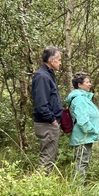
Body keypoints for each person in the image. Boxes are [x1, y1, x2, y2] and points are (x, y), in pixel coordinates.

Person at [31, 46, 63, 174]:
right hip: (46, 123)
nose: (60, 62)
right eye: (59, 60)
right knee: (47, 158)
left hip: (49, 123)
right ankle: (38, 188)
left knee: (50, 157)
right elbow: (41, 104)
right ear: (51, 60)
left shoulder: (48, 75)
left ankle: (41, 186)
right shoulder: (42, 77)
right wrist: (52, 120)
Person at [65, 72, 99, 182]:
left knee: (82, 161)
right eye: (87, 82)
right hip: (82, 137)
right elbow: (82, 120)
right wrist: (93, 131)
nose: (90, 84)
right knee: (81, 162)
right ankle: (78, 189)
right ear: (79, 85)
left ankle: (79, 187)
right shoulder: (79, 99)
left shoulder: (83, 97)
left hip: (84, 136)